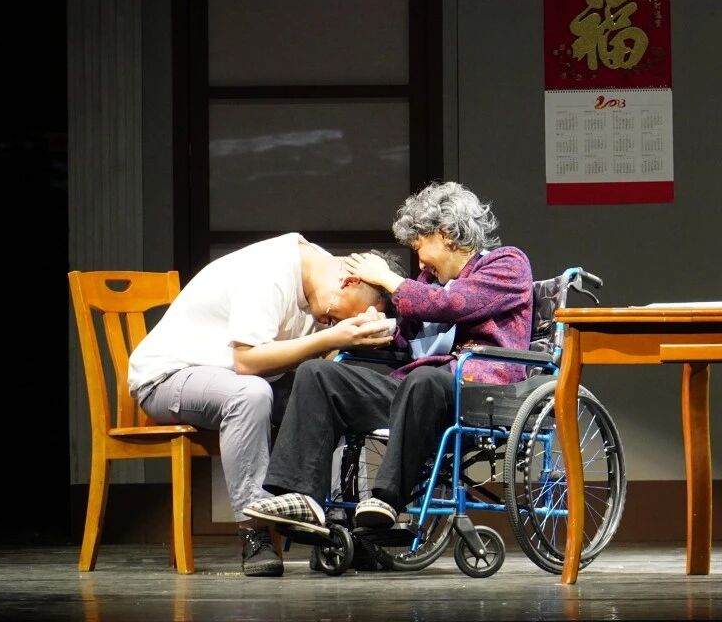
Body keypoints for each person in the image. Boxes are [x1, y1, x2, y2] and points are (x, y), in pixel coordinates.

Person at [243, 181, 534, 541]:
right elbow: (409, 336)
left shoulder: (507, 264)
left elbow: (452, 305)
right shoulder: (430, 281)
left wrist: (386, 277)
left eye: (419, 246)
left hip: (478, 392)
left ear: (445, 234)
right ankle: (302, 496)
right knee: (318, 374)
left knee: (425, 379)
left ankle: (386, 499)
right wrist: (375, 327)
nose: (420, 261)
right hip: (417, 391)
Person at [127, 234, 399, 577]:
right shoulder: (270, 271)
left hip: (247, 379)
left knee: (335, 393)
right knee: (250, 394)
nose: (335, 324)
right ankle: (255, 532)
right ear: (349, 282)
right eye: (342, 318)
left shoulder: (324, 280)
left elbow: (321, 363)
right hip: (171, 377)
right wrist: (330, 337)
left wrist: (341, 344)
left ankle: (336, 528)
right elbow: (246, 362)